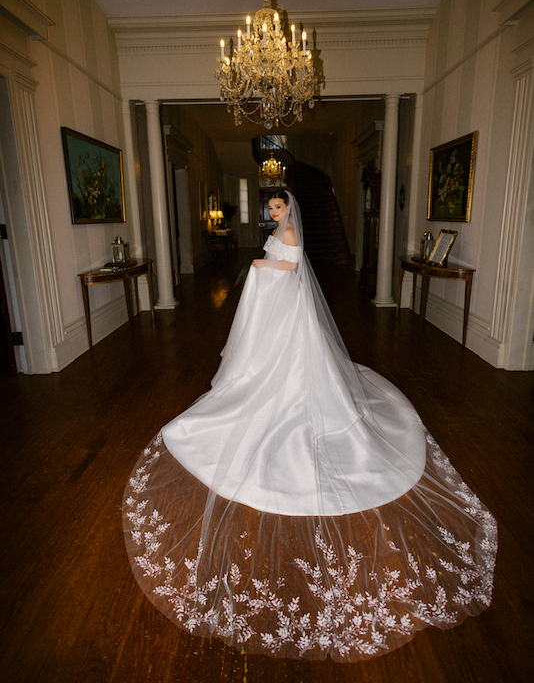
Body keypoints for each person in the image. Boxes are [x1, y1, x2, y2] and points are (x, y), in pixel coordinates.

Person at [123, 190, 497, 662]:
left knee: (294, 370)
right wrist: (263, 268)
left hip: (285, 309)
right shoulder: (278, 231)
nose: (275, 215)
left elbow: (292, 269)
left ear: (289, 209)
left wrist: (261, 269)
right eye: (272, 210)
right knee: (260, 368)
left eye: (279, 209)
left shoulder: (292, 233)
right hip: (273, 308)